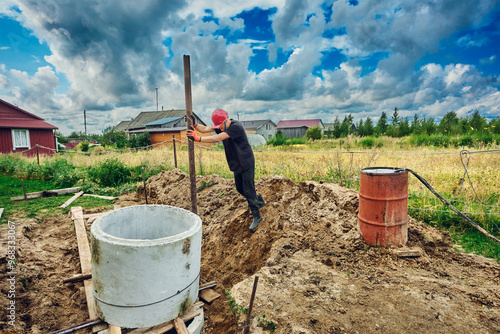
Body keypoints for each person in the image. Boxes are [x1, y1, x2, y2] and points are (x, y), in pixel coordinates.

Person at [186, 109, 265, 230]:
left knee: (248, 190)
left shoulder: (236, 127)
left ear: (226, 120)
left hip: (246, 161)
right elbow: (206, 129)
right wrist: (196, 125)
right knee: (240, 188)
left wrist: (198, 139)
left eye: (220, 126)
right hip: (236, 162)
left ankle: (257, 215)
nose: (219, 128)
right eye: (217, 126)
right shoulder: (221, 126)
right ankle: (258, 200)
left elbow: (218, 138)